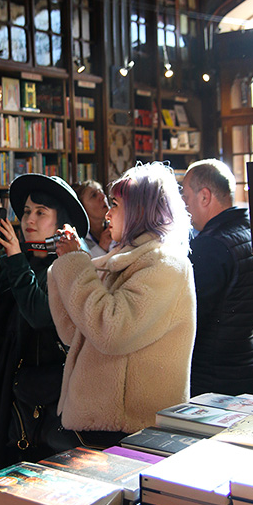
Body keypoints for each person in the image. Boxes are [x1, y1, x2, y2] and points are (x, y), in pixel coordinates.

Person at [48, 162, 196, 440]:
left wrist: (73, 263)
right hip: (99, 422)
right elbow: (73, 334)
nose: (108, 213)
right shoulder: (118, 261)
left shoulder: (165, 266)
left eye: (115, 204)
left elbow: (110, 332)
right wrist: (64, 265)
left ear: (139, 211)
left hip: (131, 426)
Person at [0, 174, 89, 470]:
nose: (30, 219)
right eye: (26, 211)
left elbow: (39, 315)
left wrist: (14, 259)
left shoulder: (68, 265)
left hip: (35, 397)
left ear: (60, 223)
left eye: (41, 213)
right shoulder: (16, 260)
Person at [181, 159, 253, 396]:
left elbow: (190, 317)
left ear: (204, 197)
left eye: (186, 197)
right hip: (251, 371)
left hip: (216, 382)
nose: (184, 205)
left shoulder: (213, 245)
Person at [73, 180, 113, 257]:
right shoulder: (77, 241)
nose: (102, 196)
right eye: (94, 195)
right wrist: (101, 250)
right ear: (82, 208)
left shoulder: (120, 225)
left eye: (101, 191)